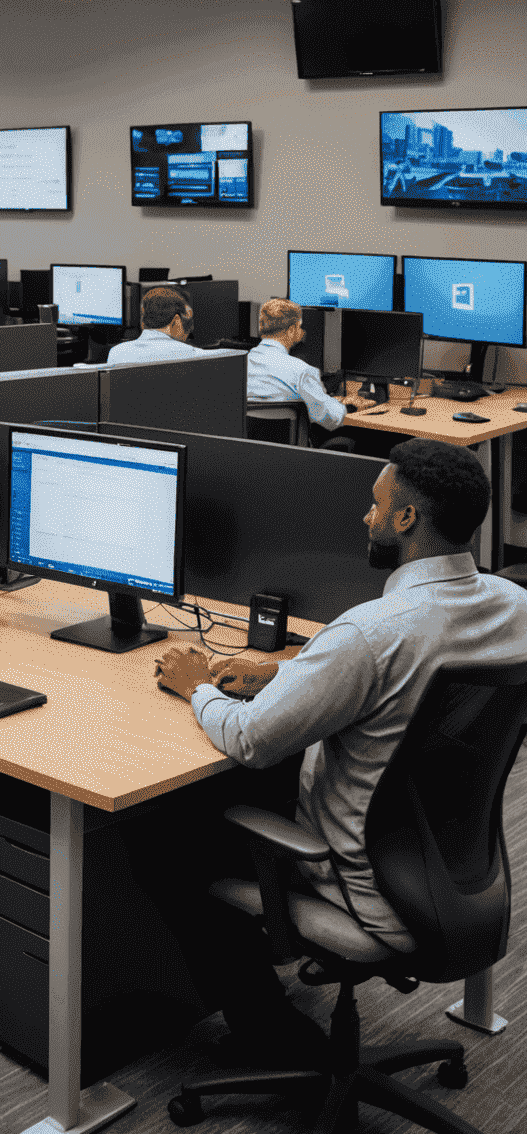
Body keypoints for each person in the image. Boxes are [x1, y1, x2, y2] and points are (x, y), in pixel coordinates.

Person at [148, 439, 527, 1062]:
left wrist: (197, 687)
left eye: (376, 506)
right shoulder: (514, 607)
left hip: (359, 885)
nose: (365, 518)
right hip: (456, 874)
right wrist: (286, 677)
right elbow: (408, 685)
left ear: (407, 519)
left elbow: (248, 738)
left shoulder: (369, 632)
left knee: (160, 833)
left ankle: (267, 1031)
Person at [246, 299, 360, 445]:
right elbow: (330, 419)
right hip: (294, 457)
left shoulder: (238, 364)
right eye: (299, 327)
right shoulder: (302, 371)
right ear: (292, 329)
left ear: (261, 326)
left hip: (249, 454)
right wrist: (347, 406)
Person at [106, 286, 206, 366]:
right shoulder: (192, 355)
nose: (187, 335)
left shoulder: (117, 353)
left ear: (142, 321)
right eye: (186, 324)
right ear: (176, 321)